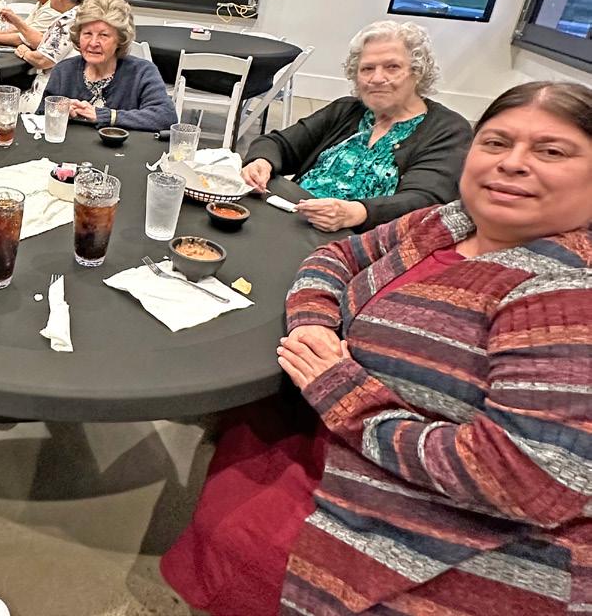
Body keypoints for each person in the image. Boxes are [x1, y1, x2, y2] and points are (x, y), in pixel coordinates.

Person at [162, 80, 592, 616]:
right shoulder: (448, 222)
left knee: (239, 532)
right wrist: (315, 323)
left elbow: (528, 480)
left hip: (424, 527)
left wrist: (345, 395)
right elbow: (336, 258)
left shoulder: (565, 295)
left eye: (551, 151)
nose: (512, 163)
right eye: (496, 142)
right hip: (323, 430)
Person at [241, 20, 471, 232]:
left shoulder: (447, 130)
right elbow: (278, 143)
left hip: (359, 243)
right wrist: (261, 162)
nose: (377, 78)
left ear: (417, 72)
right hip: (295, 220)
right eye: (367, 69)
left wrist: (358, 213)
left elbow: (424, 200)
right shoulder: (346, 110)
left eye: (392, 67)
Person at [38, 0, 177, 132]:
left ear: (120, 40)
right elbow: (39, 116)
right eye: (87, 34)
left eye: (103, 35)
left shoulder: (142, 72)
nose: (93, 43)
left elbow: (165, 116)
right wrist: (58, 111)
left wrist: (107, 116)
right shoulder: (63, 71)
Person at [0, 0, 92, 112]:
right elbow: (48, 45)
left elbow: (43, 60)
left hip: (50, 97)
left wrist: (24, 52)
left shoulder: (68, 21)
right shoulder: (80, 14)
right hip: (66, 91)